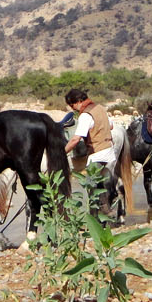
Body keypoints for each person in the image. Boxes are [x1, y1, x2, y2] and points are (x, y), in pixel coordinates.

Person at [63, 88, 118, 218]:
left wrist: (62, 152)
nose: (73, 109)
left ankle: (93, 219)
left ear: (78, 101)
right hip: (110, 151)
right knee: (101, 184)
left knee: (91, 187)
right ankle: (108, 211)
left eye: (72, 106)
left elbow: (76, 139)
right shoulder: (100, 108)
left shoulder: (85, 115)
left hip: (98, 153)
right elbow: (111, 126)